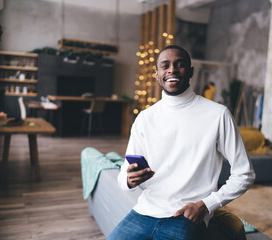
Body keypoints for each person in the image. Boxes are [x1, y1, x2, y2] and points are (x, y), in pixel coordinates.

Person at [108, 45, 255, 240]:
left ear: (191, 71)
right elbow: (123, 175)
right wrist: (128, 179)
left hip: (188, 214)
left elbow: (244, 173)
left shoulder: (217, 114)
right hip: (145, 211)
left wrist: (206, 205)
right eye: (165, 65)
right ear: (157, 73)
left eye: (180, 65)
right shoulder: (145, 118)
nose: (172, 70)